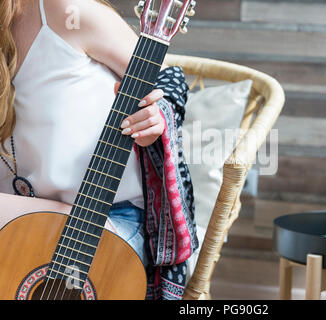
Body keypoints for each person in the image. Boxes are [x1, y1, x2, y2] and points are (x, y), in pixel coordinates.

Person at [0, 0, 198, 300]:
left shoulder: (67, 12)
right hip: (19, 216)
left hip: (106, 217)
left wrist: (154, 119)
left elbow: (165, 81)